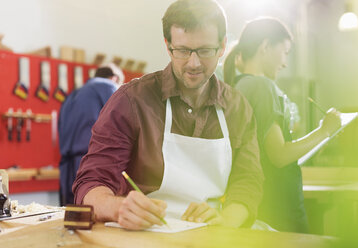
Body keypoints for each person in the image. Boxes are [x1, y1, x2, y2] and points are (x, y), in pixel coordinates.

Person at [72, 0, 264, 231]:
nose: (193, 63)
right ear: (168, 45)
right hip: (143, 235)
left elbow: (248, 181)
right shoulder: (132, 101)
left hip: (213, 234)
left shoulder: (237, 107)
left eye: (204, 51)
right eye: (182, 51)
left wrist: (227, 220)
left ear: (222, 46)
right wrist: (117, 208)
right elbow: (91, 183)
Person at [223, 17, 341, 233]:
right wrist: (325, 130)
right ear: (265, 46)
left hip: (260, 205)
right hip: (278, 208)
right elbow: (279, 155)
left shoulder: (239, 86)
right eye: (285, 52)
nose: (285, 62)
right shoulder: (262, 86)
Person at [58, 63, 124, 206]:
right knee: (94, 217)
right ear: (114, 78)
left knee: (71, 217)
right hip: (93, 164)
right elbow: (123, 123)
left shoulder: (73, 94)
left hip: (67, 167)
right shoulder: (109, 87)